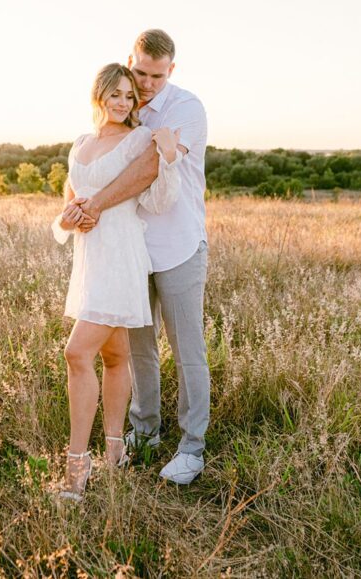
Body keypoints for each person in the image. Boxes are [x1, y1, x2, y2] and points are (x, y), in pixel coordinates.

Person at [71, 29, 209, 485]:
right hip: (131, 251)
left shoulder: (185, 109)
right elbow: (90, 168)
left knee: (187, 351)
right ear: (130, 62)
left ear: (171, 69)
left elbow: (148, 169)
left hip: (177, 246)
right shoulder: (124, 108)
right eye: (139, 73)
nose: (146, 83)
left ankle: (192, 448)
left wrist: (94, 205)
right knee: (138, 350)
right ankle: (144, 434)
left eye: (156, 75)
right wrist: (79, 204)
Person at [51, 63, 181, 501]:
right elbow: (70, 202)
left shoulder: (140, 139)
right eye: (116, 94)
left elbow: (159, 197)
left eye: (130, 95)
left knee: (76, 352)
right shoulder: (82, 144)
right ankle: (116, 452)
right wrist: (68, 219)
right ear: (99, 96)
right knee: (115, 355)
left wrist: (167, 156)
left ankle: (76, 468)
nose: (124, 102)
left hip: (122, 256)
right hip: (90, 258)